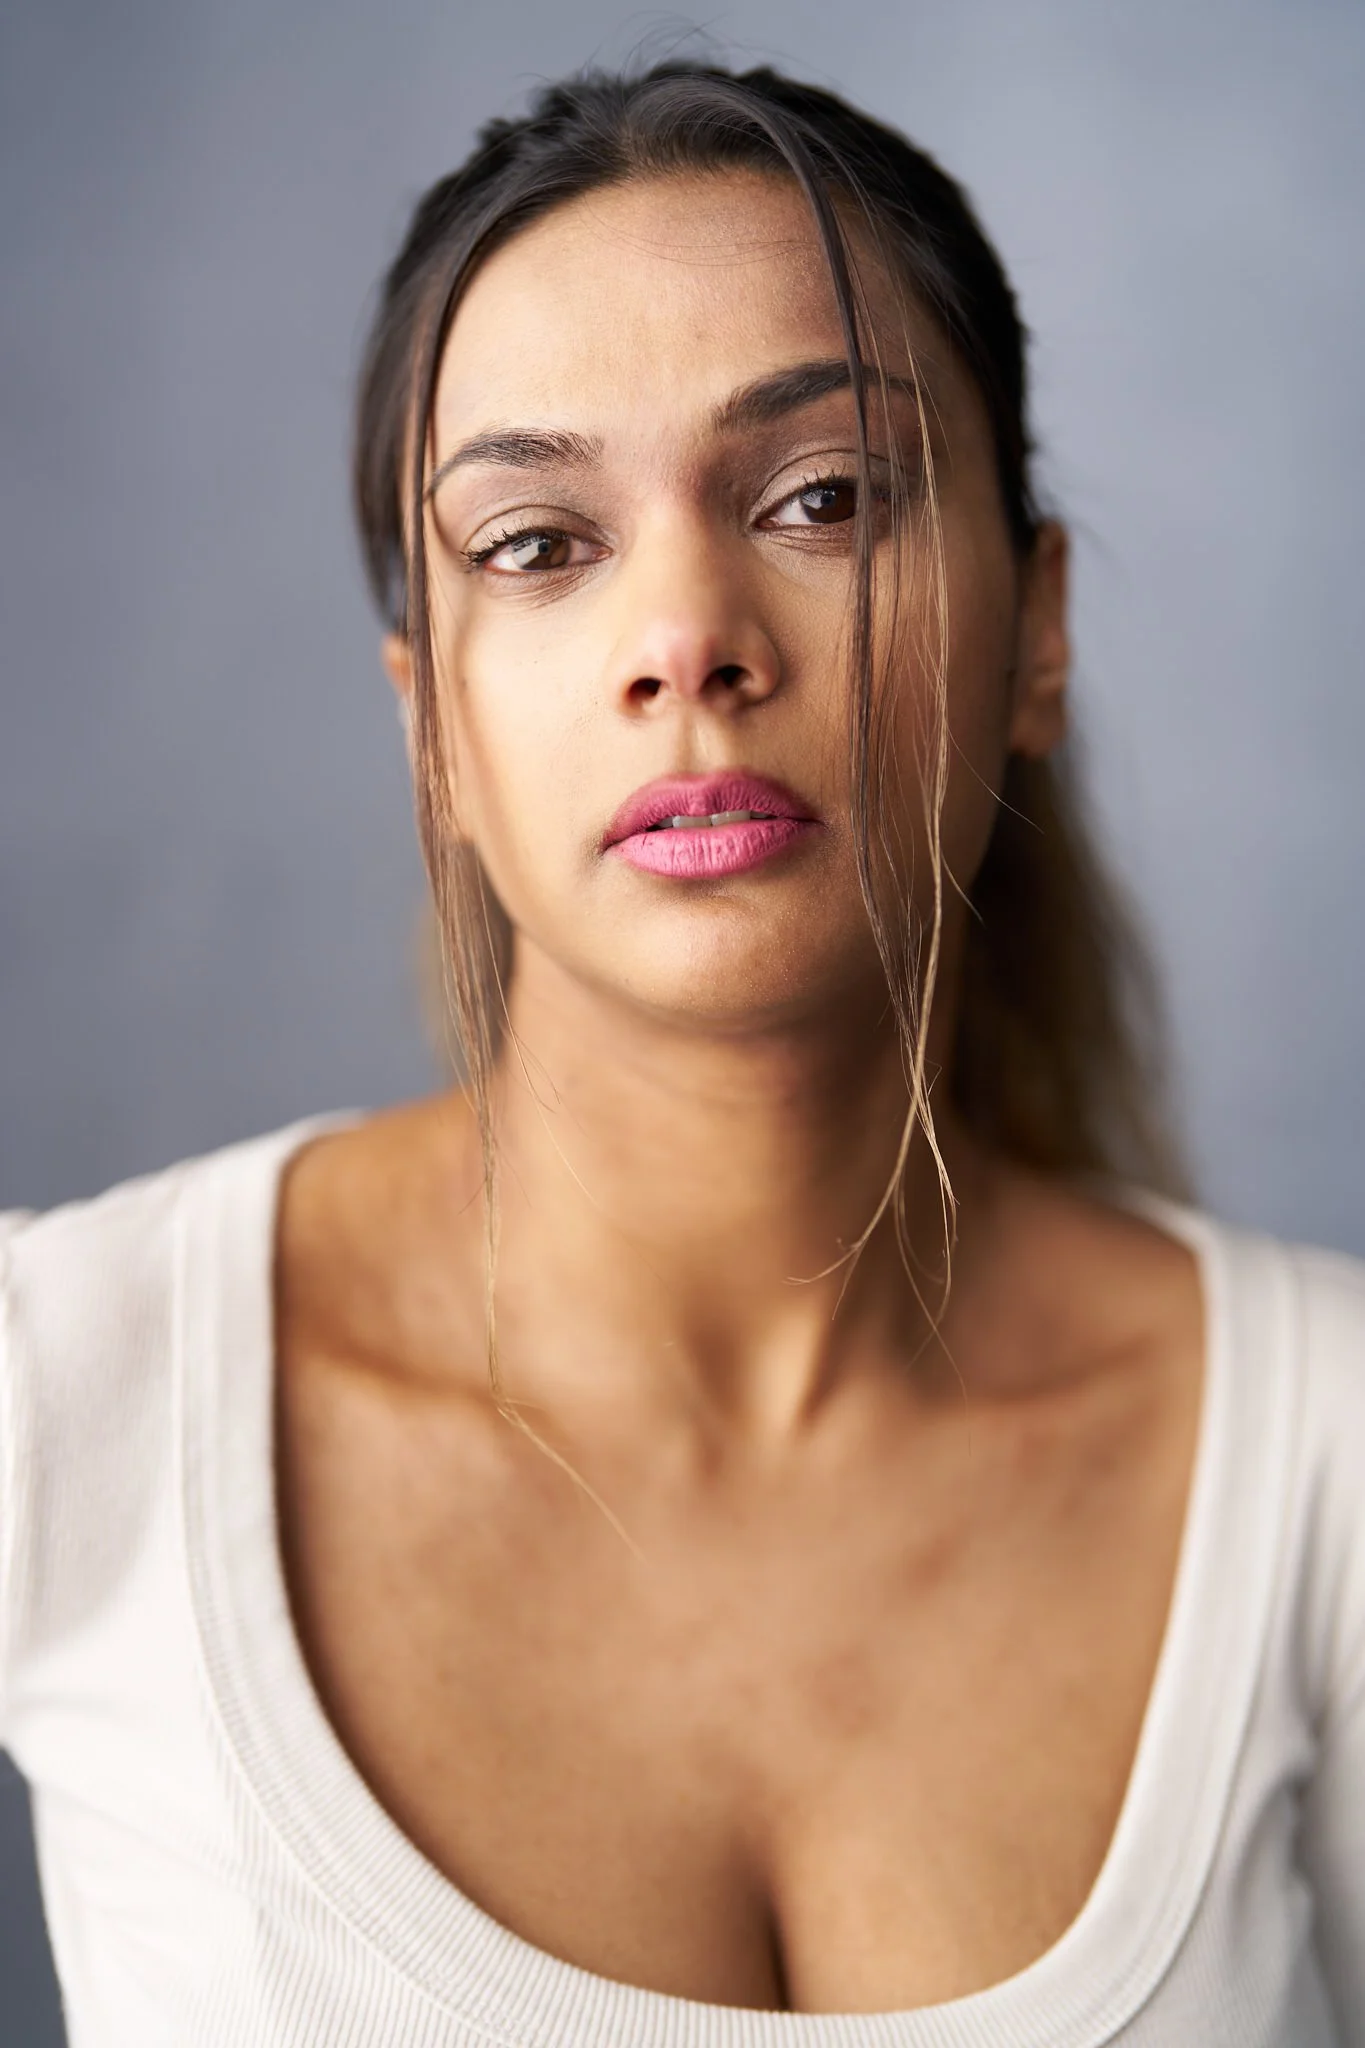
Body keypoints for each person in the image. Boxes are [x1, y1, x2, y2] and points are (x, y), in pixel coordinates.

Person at [2, 60, 1362, 2048]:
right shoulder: (66, 1390)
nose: (688, 637)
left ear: (1037, 636)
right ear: (429, 735)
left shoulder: (1325, 1449)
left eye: (820, 498)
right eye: (540, 543)